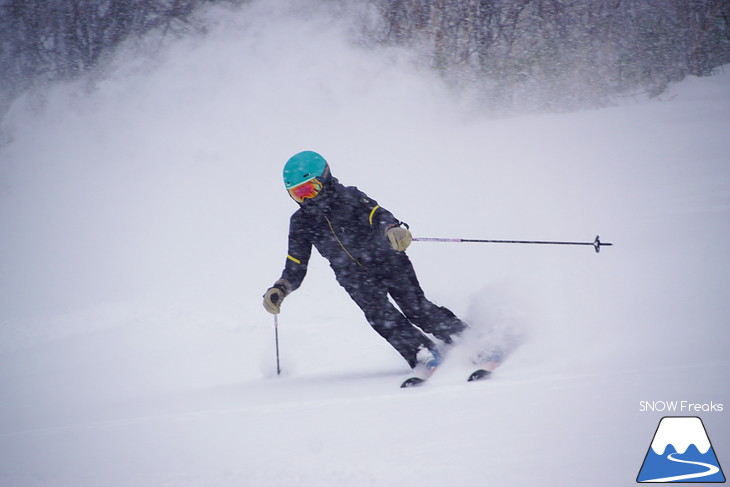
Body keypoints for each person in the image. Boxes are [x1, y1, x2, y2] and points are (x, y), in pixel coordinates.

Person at [263, 151, 467, 371]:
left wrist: (392, 230)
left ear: (325, 178)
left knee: (416, 309)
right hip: (353, 277)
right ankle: (422, 353)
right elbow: (296, 264)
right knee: (380, 318)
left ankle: (466, 338)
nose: (306, 199)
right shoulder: (301, 222)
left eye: (309, 189)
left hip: (387, 260)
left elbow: (379, 215)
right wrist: (281, 288)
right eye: (297, 194)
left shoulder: (349, 197)